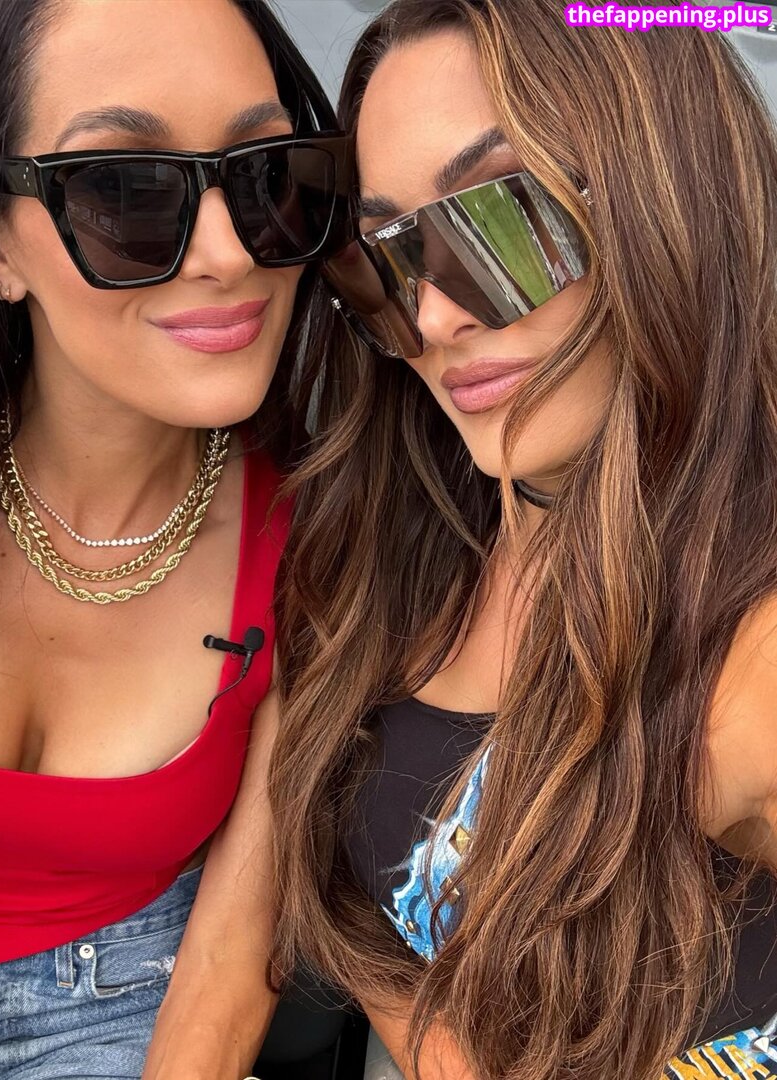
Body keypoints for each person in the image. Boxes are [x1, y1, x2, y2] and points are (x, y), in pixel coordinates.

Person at [268, 1, 777, 1077]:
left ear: (669, 196)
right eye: (384, 262)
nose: (434, 319)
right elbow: (385, 940)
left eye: (498, 219)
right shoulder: (404, 542)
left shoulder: (750, 643)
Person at [0, 1, 350, 1078]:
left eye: (267, 176)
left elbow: (238, 938)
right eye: (125, 191)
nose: (229, 254)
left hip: (130, 1006)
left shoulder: (321, 532)